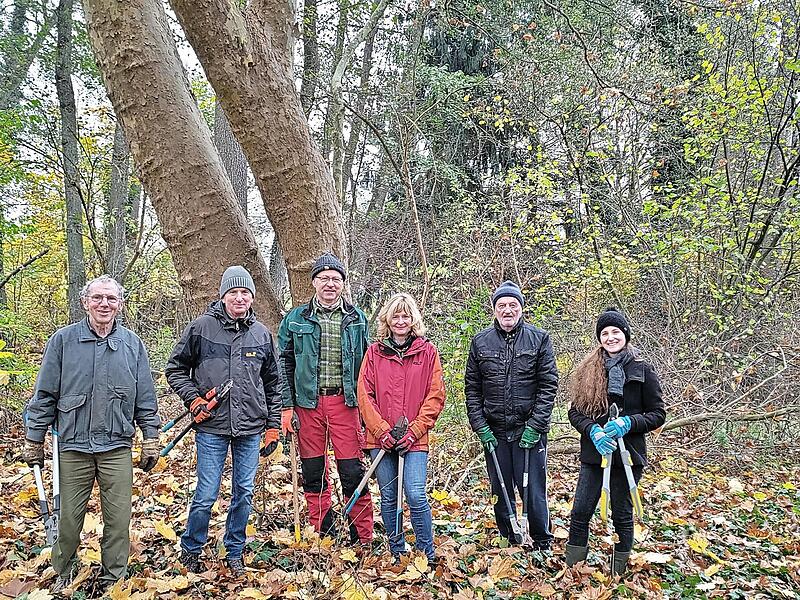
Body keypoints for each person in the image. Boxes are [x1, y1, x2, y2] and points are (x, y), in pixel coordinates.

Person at [22, 275, 161, 593]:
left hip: (116, 445)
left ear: (120, 304)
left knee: (118, 520)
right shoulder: (63, 340)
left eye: (111, 299)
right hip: (73, 446)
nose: (104, 304)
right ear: (85, 302)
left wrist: (150, 436)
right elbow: (44, 394)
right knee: (69, 520)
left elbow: (145, 398)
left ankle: (114, 578)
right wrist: (34, 439)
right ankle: (64, 570)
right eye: (97, 298)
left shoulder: (132, 344)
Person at [165, 266, 281, 577]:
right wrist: (194, 399)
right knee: (206, 493)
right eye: (234, 292)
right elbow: (175, 369)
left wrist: (273, 425)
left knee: (244, 492)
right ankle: (191, 549)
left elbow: (273, 384)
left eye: (245, 293)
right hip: (212, 426)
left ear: (252, 297)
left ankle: (235, 550)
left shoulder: (261, 334)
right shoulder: (201, 328)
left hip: (250, 427)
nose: (240, 298)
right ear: (223, 295)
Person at [278, 252, 373, 545]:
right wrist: (286, 405)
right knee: (313, 469)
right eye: (324, 278)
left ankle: (363, 534)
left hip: (346, 404)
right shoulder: (296, 318)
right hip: (307, 405)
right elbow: (283, 363)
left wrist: (369, 410)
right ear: (314, 283)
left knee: (351, 469)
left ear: (343, 284)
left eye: (336, 279)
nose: (330, 284)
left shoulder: (357, 319)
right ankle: (324, 530)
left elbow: (368, 366)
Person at [565, 307, 666, 575]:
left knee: (622, 514)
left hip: (629, 455)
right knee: (580, 512)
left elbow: (658, 414)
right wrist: (593, 432)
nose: (610, 337)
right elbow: (574, 412)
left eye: (615, 332)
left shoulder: (643, 369)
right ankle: (574, 571)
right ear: (599, 338)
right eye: (605, 333)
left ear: (625, 335)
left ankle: (617, 571)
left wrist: (628, 423)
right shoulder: (588, 370)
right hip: (593, 455)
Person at [465, 280, 558, 550]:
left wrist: (536, 426)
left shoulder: (539, 339)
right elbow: (472, 388)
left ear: (521, 308)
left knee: (533, 491)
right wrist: (479, 425)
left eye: (513, 305)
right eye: (502, 305)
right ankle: (509, 536)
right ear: (494, 310)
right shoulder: (480, 342)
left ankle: (542, 541)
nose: (507, 310)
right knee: (500, 489)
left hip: (528, 430)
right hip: (494, 432)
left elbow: (548, 385)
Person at [357, 293, 446, 562]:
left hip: (414, 439)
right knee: (389, 496)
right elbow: (364, 394)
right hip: (380, 439)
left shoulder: (427, 352)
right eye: (395, 315)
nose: (400, 321)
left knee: (416, 494)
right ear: (387, 319)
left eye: (405, 316)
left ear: (413, 320)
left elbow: (436, 395)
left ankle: (426, 552)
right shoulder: (374, 352)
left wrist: (415, 430)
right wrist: (382, 430)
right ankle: (396, 549)